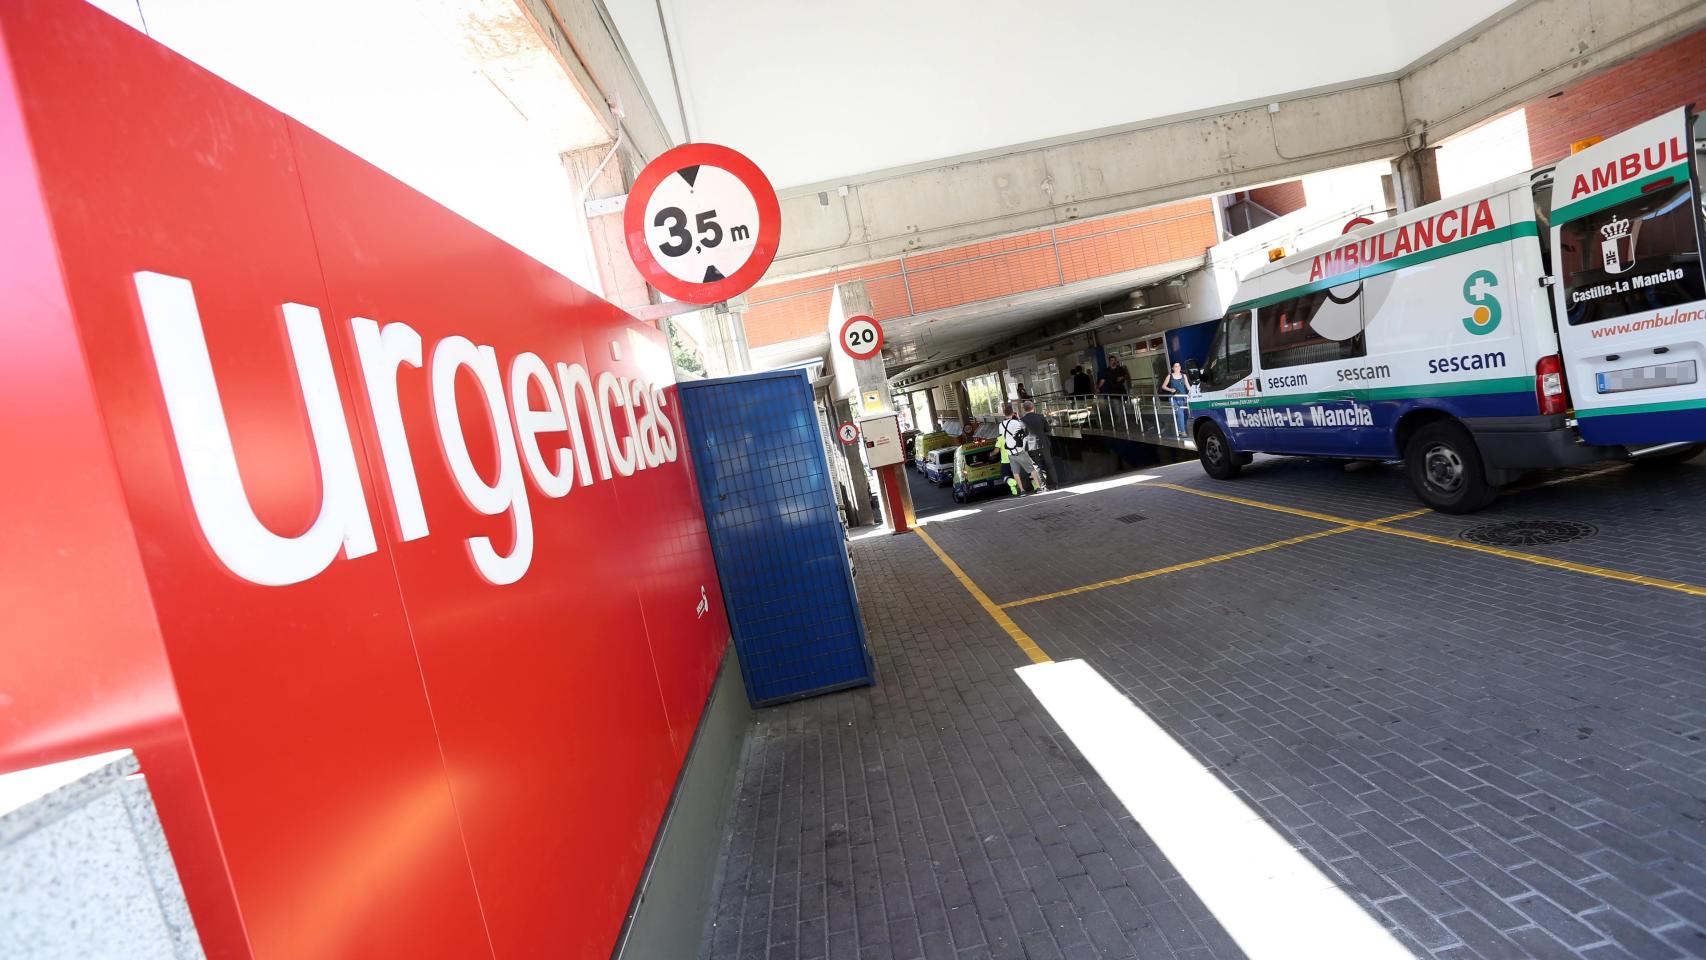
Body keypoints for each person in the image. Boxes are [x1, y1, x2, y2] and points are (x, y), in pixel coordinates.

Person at [1000, 403, 1044, 495]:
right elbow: (1024, 430)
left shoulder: (1001, 425)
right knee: (1031, 469)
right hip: (1020, 450)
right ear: (1013, 413)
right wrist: (1018, 418)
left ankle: (1022, 491)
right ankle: (1039, 487)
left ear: (1004, 414)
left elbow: (1003, 436)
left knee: (1016, 472)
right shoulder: (1016, 422)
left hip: (1010, 452)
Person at [1020, 400, 1056, 489]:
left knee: (1037, 466)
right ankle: (1055, 484)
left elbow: (1022, 434)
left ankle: (1044, 487)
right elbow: (1048, 429)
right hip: (1043, 443)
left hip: (1031, 446)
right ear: (1033, 408)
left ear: (1024, 410)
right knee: (1049, 464)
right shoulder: (1040, 417)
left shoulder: (1022, 421)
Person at [1160, 361, 1191, 437]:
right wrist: (1170, 390)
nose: (1178, 368)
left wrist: (1192, 393)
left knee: (1180, 414)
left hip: (1183, 398)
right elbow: (1163, 386)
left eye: (1179, 366)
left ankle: (1179, 430)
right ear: (1173, 368)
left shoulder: (1184, 376)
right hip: (1174, 398)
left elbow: (1188, 386)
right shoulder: (1170, 376)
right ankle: (1183, 432)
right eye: (1176, 366)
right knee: (1180, 414)